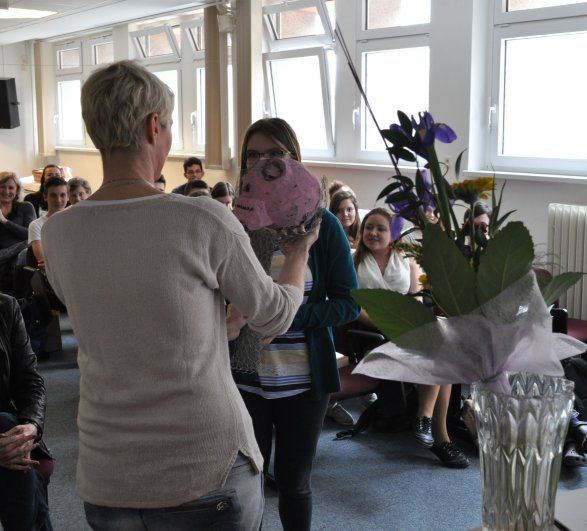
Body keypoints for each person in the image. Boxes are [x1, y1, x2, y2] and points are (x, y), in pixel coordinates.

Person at [41, 60, 315, 530]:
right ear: (153, 126)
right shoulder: (201, 218)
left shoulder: (57, 232)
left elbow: (126, 321)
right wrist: (299, 254)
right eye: (168, 126)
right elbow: (274, 316)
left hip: (109, 472)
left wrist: (217, 323)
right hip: (202, 467)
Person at [231, 117, 359, 531]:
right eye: (253, 155)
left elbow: (347, 305)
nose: (261, 163)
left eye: (273, 154)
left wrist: (284, 315)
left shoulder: (323, 226)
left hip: (302, 382)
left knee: (294, 484)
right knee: (242, 484)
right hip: (242, 378)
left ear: (293, 160)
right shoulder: (233, 224)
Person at [354, 208, 470, 469]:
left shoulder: (406, 258)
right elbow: (355, 307)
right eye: (369, 227)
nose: (373, 233)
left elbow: (419, 300)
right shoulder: (354, 261)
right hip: (375, 334)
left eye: (380, 228)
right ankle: (439, 437)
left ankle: (427, 421)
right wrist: (390, 324)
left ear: (392, 235)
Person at [0, 293, 52, 530]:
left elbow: (30, 381)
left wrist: (29, 428)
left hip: (6, 436)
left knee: (12, 435)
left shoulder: (5, 306)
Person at [0, 172, 36, 293]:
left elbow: (30, 234)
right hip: (3, 254)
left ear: (17, 190)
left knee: (25, 248)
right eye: (2, 187)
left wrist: (5, 221)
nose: (6, 191)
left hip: (19, 255)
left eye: (11, 187)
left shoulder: (26, 206)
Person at [28, 177, 68, 268]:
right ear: (45, 196)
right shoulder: (36, 225)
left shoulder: (75, 221)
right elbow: (42, 260)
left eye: (62, 195)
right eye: (53, 195)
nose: (58, 200)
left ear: (68, 196)